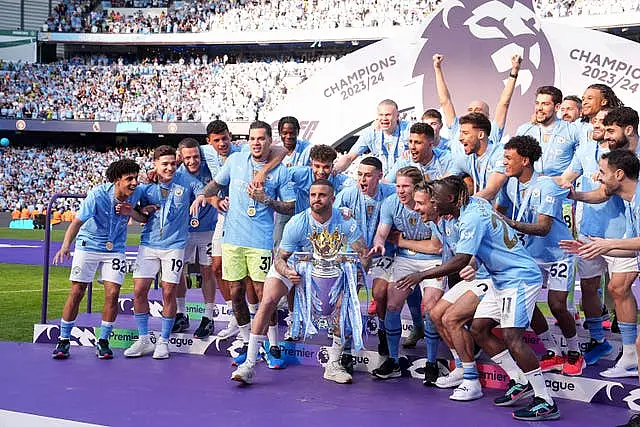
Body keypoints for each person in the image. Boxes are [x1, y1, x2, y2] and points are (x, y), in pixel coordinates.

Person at [397, 176, 559, 421]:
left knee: (512, 337)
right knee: (479, 330)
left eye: (435, 199)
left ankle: (545, 400)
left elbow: (461, 258)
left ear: (450, 199)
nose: (432, 202)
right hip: (499, 278)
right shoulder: (472, 206)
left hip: (519, 278)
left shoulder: (472, 216)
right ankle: (519, 380)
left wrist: (421, 274)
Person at [230, 179, 370, 385]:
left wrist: (356, 278)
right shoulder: (298, 222)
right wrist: (287, 271)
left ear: (332, 198)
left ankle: (333, 364)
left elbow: (364, 254)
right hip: (295, 267)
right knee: (268, 300)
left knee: (344, 303)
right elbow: (280, 258)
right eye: (313, 195)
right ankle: (249, 364)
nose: (316, 199)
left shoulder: (345, 221)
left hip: (327, 269)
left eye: (322, 195)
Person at [199, 121, 294, 369]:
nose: (256, 142)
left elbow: (291, 205)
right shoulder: (237, 160)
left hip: (260, 241)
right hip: (232, 240)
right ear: (247, 140)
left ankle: (272, 345)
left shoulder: (279, 171)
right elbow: (216, 184)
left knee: (266, 296)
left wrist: (267, 200)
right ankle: (246, 342)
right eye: (252, 138)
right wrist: (207, 197)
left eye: (261, 138)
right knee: (237, 294)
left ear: (269, 140)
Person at [497, 136, 582, 375]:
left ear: (525, 160)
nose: (504, 163)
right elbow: (499, 211)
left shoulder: (546, 185)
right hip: (530, 254)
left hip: (558, 253)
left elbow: (544, 227)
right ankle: (552, 350)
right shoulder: (509, 184)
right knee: (528, 303)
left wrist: (509, 224)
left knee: (556, 305)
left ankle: (574, 352)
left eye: (508, 158)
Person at [52, 159, 146, 360]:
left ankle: (103, 341)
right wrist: (66, 246)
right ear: (116, 180)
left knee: (113, 294)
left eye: (136, 178)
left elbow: (144, 217)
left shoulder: (138, 192)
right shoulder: (97, 195)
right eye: (129, 179)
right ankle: (63, 340)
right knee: (77, 291)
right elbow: (77, 222)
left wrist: (133, 212)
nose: (134, 183)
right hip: (89, 245)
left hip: (115, 248)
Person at [561, 149, 640, 378]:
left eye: (603, 172)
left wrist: (607, 244)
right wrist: (591, 248)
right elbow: (633, 252)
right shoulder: (630, 202)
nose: (598, 177)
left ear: (619, 174)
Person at [124, 145, 206, 360]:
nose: (169, 168)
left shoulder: (185, 181)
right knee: (139, 290)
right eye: (164, 164)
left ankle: (163, 341)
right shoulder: (144, 189)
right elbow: (136, 215)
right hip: (148, 245)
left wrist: (199, 198)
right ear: (155, 165)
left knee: (168, 292)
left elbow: (203, 191)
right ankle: (143, 339)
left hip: (175, 246)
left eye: (172, 163)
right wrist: (140, 211)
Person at [369, 166, 443, 383]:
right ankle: (392, 361)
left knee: (430, 308)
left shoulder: (431, 204)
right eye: (398, 186)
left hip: (433, 262)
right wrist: (380, 243)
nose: (400, 191)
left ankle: (431, 363)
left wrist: (400, 241)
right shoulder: (391, 203)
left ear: (417, 187)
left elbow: (436, 248)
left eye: (406, 187)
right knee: (392, 305)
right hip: (404, 260)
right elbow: (382, 233)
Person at [422, 181, 492, 398]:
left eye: (423, 203)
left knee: (452, 319)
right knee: (435, 314)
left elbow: (466, 256)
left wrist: (420, 275)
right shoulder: (442, 220)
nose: (417, 208)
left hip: (491, 276)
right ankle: (462, 367)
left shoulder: (470, 216)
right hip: (474, 275)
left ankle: (472, 380)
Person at [334, 157, 395, 367]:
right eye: (359, 174)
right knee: (347, 299)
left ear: (379, 176)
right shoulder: (348, 194)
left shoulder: (392, 193)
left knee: (379, 293)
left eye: (368, 175)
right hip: (354, 255)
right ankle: (347, 349)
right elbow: (332, 219)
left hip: (382, 254)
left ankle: (384, 332)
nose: (362, 179)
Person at [172, 138, 219, 339]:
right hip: (184, 231)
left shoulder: (211, 168)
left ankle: (208, 317)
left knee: (208, 270)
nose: (193, 161)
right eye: (187, 157)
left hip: (208, 227)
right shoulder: (176, 173)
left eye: (196, 156)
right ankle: (181, 314)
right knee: (179, 271)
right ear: (180, 157)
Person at [433, 53, 521, 156]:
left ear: (487, 117)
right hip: (456, 172)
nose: (473, 112)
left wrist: (514, 71)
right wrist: (437, 68)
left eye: (478, 109)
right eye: (470, 110)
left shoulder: (492, 130)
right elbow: (445, 101)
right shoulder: (457, 128)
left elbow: (504, 103)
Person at [515, 86, 581, 177]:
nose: (539, 108)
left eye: (545, 104)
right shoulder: (524, 130)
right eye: (537, 103)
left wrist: (563, 181)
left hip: (558, 188)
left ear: (557, 107)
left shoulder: (572, 130)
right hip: (529, 187)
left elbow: (580, 162)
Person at [333, 99, 410, 175]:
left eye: (388, 115)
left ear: (397, 116)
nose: (384, 118)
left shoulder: (408, 129)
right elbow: (350, 157)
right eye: (381, 115)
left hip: (405, 178)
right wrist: (335, 170)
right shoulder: (370, 133)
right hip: (381, 179)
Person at [449, 113, 507, 200]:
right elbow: (445, 180)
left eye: (465, 133)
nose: (460, 138)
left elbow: (491, 191)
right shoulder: (467, 157)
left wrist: (465, 203)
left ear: (481, 135)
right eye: (460, 133)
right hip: (484, 208)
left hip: (505, 211)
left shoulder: (501, 154)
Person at [287, 144, 351, 214]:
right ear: (311, 164)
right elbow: (279, 176)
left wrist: (344, 210)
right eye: (317, 166)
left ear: (332, 166)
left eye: (326, 167)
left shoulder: (339, 180)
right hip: (301, 219)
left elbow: (355, 189)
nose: (321, 172)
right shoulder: (299, 173)